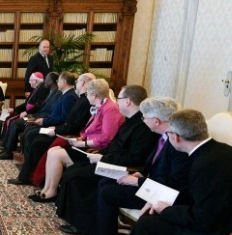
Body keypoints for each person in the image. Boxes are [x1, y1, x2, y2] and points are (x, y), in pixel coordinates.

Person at [74, 97, 190, 235]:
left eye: (145, 117)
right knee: (106, 182)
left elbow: (171, 180)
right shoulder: (162, 136)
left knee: (108, 192)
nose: (142, 120)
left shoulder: (175, 141)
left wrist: (137, 182)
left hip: (161, 193)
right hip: (149, 183)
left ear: (156, 121)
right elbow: (153, 165)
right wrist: (140, 174)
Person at [53, 84, 156, 223]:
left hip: (121, 168)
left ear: (128, 101)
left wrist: (102, 157)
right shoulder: (129, 120)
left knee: (76, 177)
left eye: (119, 98)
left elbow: (135, 158)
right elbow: (115, 145)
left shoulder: (143, 127)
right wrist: (100, 154)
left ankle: (82, 223)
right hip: (109, 160)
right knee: (73, 170)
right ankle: (72, 218)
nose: (116, 101)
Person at [8, 73, 94, 185]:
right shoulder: (65, 95)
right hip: (52, 123)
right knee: (29, 131)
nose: (57, 82)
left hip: (63, 131)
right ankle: (27, 168)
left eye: (59, 80)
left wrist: (48, 123)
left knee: (33, 136)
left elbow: (66, 119)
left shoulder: (71, 97)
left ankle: (29, 173)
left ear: (64, 82)